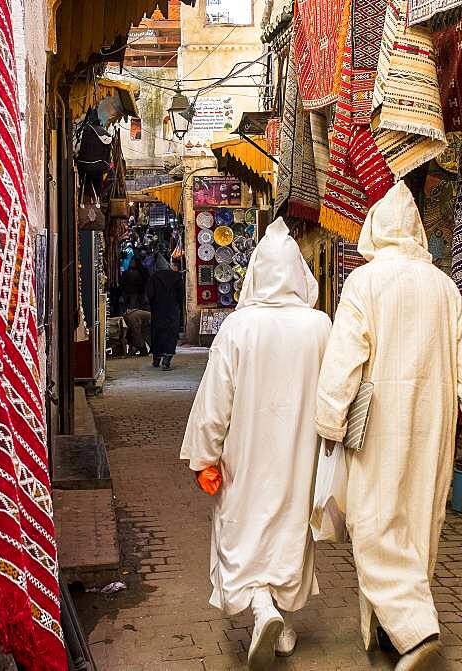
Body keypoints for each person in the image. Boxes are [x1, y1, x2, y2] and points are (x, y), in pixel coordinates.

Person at [313, 182, 462, 670]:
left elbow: (344, 360)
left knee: (373, 522)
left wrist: (329, 419)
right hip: (433, 419)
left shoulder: (364, 283)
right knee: (419, 519)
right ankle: (392, 630)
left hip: (377, 420)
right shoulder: (444, 287)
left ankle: (416, 631)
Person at [180, 219, 331, 671]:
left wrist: (204, 457)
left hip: (244, 460)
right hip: (301, 460)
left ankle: (263, 609)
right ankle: (279, 619)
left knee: (243, 531)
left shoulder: (238, 328)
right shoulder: (320, 327)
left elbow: (214, 401)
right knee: (289, 532)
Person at [146, 253, 183, 370]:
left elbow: (149, 294)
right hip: (172, 310)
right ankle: (166, 361)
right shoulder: (177, 277)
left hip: (158, 310)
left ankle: (156, 359)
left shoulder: (153, 277)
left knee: (157, 333)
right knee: (171, 334)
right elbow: (180, 295)